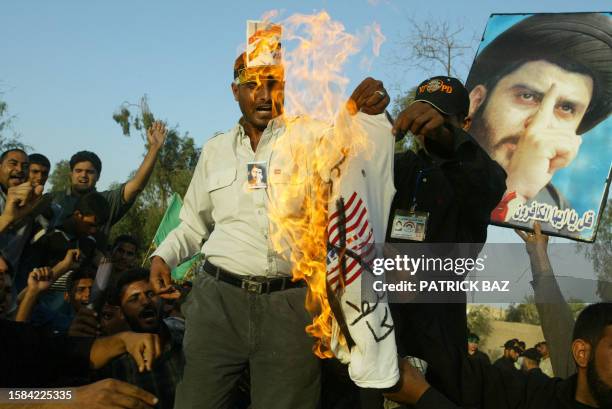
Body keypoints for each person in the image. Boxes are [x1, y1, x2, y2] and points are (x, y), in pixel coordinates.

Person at [149, 51, 391, 408]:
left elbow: (354, 148)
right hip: (218, 302)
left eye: (272, 84)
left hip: (291, 304)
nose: (263, 95)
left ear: (284, 87)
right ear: (235, 91)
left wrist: (361, 108)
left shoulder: (310, 136)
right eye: (252, 86)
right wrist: (161, 257)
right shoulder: (215, 150)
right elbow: (192, 223)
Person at [385, 76, 506, 405]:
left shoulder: (474, 175)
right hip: (382, 322)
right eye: (424, 116)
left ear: (464, 122)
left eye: (442, 118)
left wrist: (446, 137)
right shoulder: (399, 167)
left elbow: (490, 184)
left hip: (436, 329)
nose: (428, 127)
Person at [465, 13, 612, 228]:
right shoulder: (426, 172)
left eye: (566, 108)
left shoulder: (560, 212)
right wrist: (513, 189)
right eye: (527, 96)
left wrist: (519, 192)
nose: (537, 127)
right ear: (476, 101)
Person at [385, 302, 612, 409]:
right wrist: (412, 297)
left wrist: (424, 397)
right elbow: (461, 375)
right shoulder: (540, 393)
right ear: (582, 353)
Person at [52, 121, 167, 248]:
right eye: (78, 171)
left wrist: (154, 148)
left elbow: (135, 187)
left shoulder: (107, 201)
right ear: (70, 174)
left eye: (90, 172)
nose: (83, 175)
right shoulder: (53, 199)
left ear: (98, 176)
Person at [97, 268, 183, 409]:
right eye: (134, 299)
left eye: (151, 294)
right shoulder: (114, 363)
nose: (145, 302)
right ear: (122, 312)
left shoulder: (182, 331)